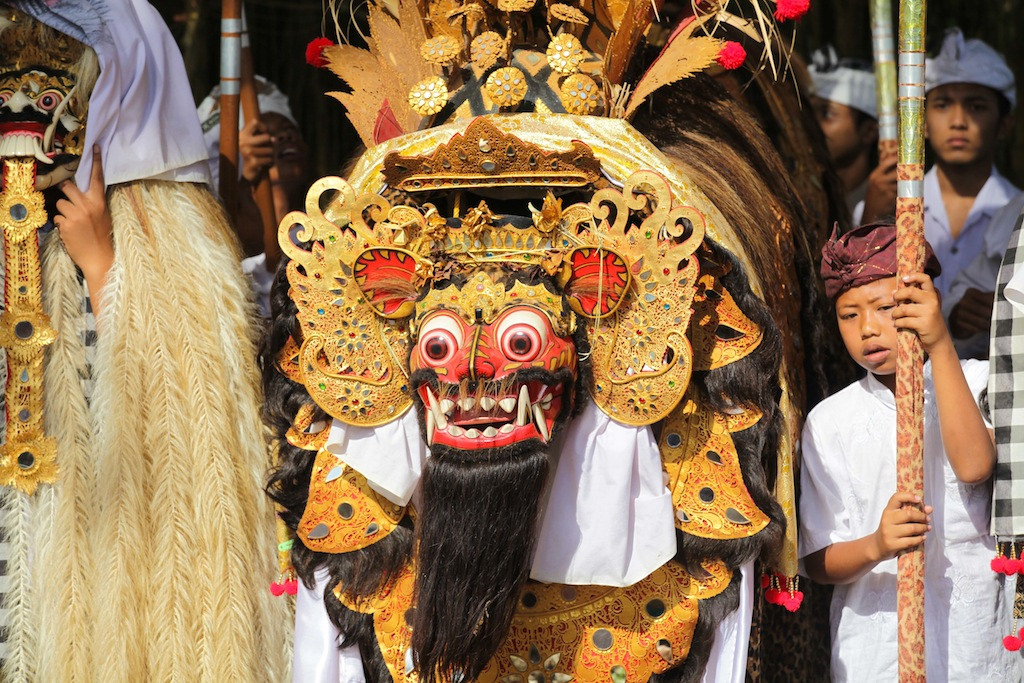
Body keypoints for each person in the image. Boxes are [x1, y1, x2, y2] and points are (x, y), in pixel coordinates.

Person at [0, 2, 287, 680]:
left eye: (41, 96)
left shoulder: (160, 226)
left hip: (77, 532)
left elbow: (175, 415)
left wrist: (103, 271)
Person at [799, 222, 1016, 681]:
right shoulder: (829, 422)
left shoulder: (976, 381)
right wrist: (876, 545)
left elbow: (975, 466)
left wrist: (939, 344)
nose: (868, 328)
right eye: (849, 315)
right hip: (876, 649)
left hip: (971, 639)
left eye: (883, 307)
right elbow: (817, 558)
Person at [198, 77, 312, 316]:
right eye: (267, 136)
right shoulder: (209, 260)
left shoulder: (331, 233)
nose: (284, 138)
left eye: (289, 130)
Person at [921, 28, 1018, 300]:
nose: (959, 122)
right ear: (923, 122)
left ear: (1004, 124)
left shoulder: (1018, 216)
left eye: (976, 107)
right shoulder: (889, 205)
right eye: (942, 105)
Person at [808, 46, 897, 225]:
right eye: (811, 113)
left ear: (868, 131)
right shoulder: (802, 197)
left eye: (827, 113)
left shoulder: (895, 201)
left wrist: (873, 218)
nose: (813, 125)